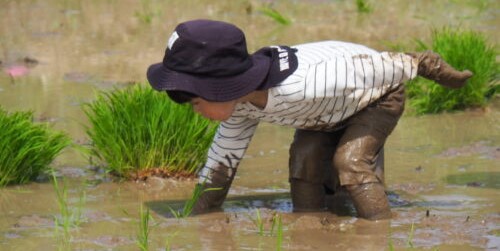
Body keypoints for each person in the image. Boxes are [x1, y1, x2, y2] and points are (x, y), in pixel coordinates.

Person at [147, 19, 472, 220]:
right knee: (304, 165)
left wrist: (449, 76)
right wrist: (198, 215)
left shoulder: (313, 80)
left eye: (196, 101)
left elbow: (401, 63)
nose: (195, 111)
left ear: (222, 88)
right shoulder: (241, 105)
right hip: (322, 114)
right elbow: (222, 163)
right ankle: (312, 226)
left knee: (350, 162)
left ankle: (378, 227)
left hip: (374, 98)